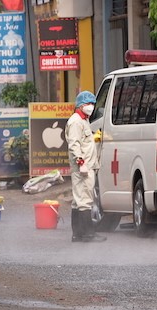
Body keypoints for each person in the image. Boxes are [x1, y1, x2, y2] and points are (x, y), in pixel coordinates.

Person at [66, 90, 106, 242]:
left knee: (78, 200)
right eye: (88, 104)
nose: (91, 107)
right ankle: (88, 234)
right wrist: (81, 163)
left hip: (87, 164)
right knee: (85, 199)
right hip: (83, 167)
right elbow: (74, 144)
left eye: (93, 104)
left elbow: (83, 141)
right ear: (81, 105)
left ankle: (78, 234)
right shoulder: (76, 121)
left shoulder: (84, 120)